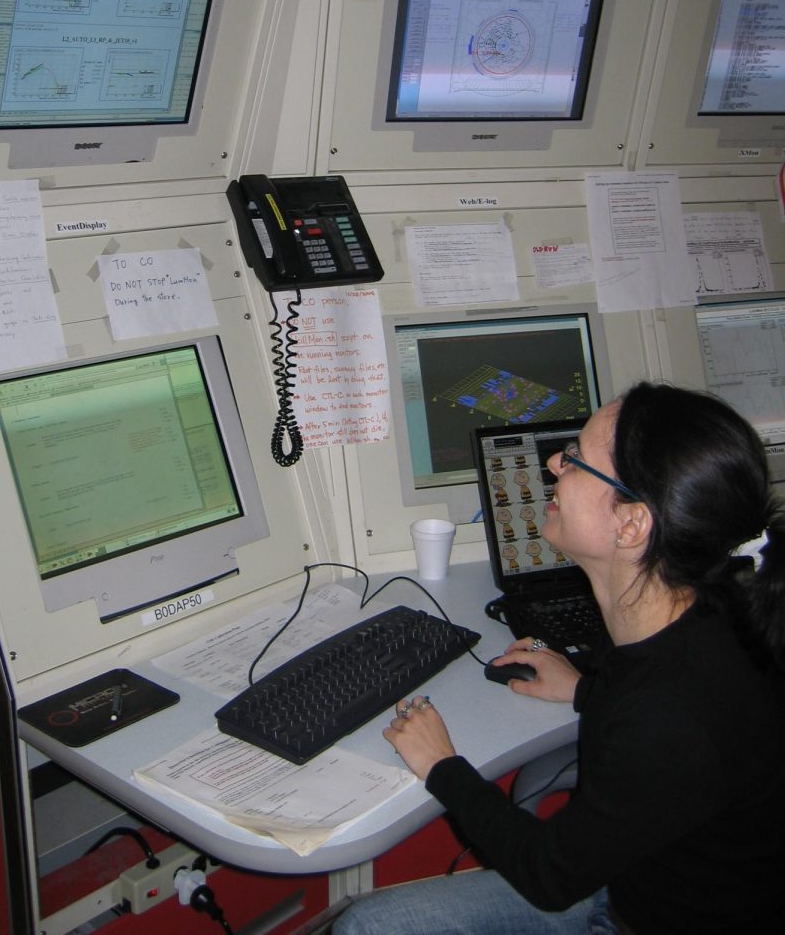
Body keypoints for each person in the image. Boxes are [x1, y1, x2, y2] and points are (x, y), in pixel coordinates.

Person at [333, 382, 785, 935]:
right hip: (636, 867)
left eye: (574, 460)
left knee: (365, 928)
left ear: (632, 524)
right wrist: (582, 691)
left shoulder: (670, 711)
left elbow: (550, 876)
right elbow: (667, 747)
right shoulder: (705, 614)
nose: (552, 462)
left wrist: (442, 766)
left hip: (637, 914)